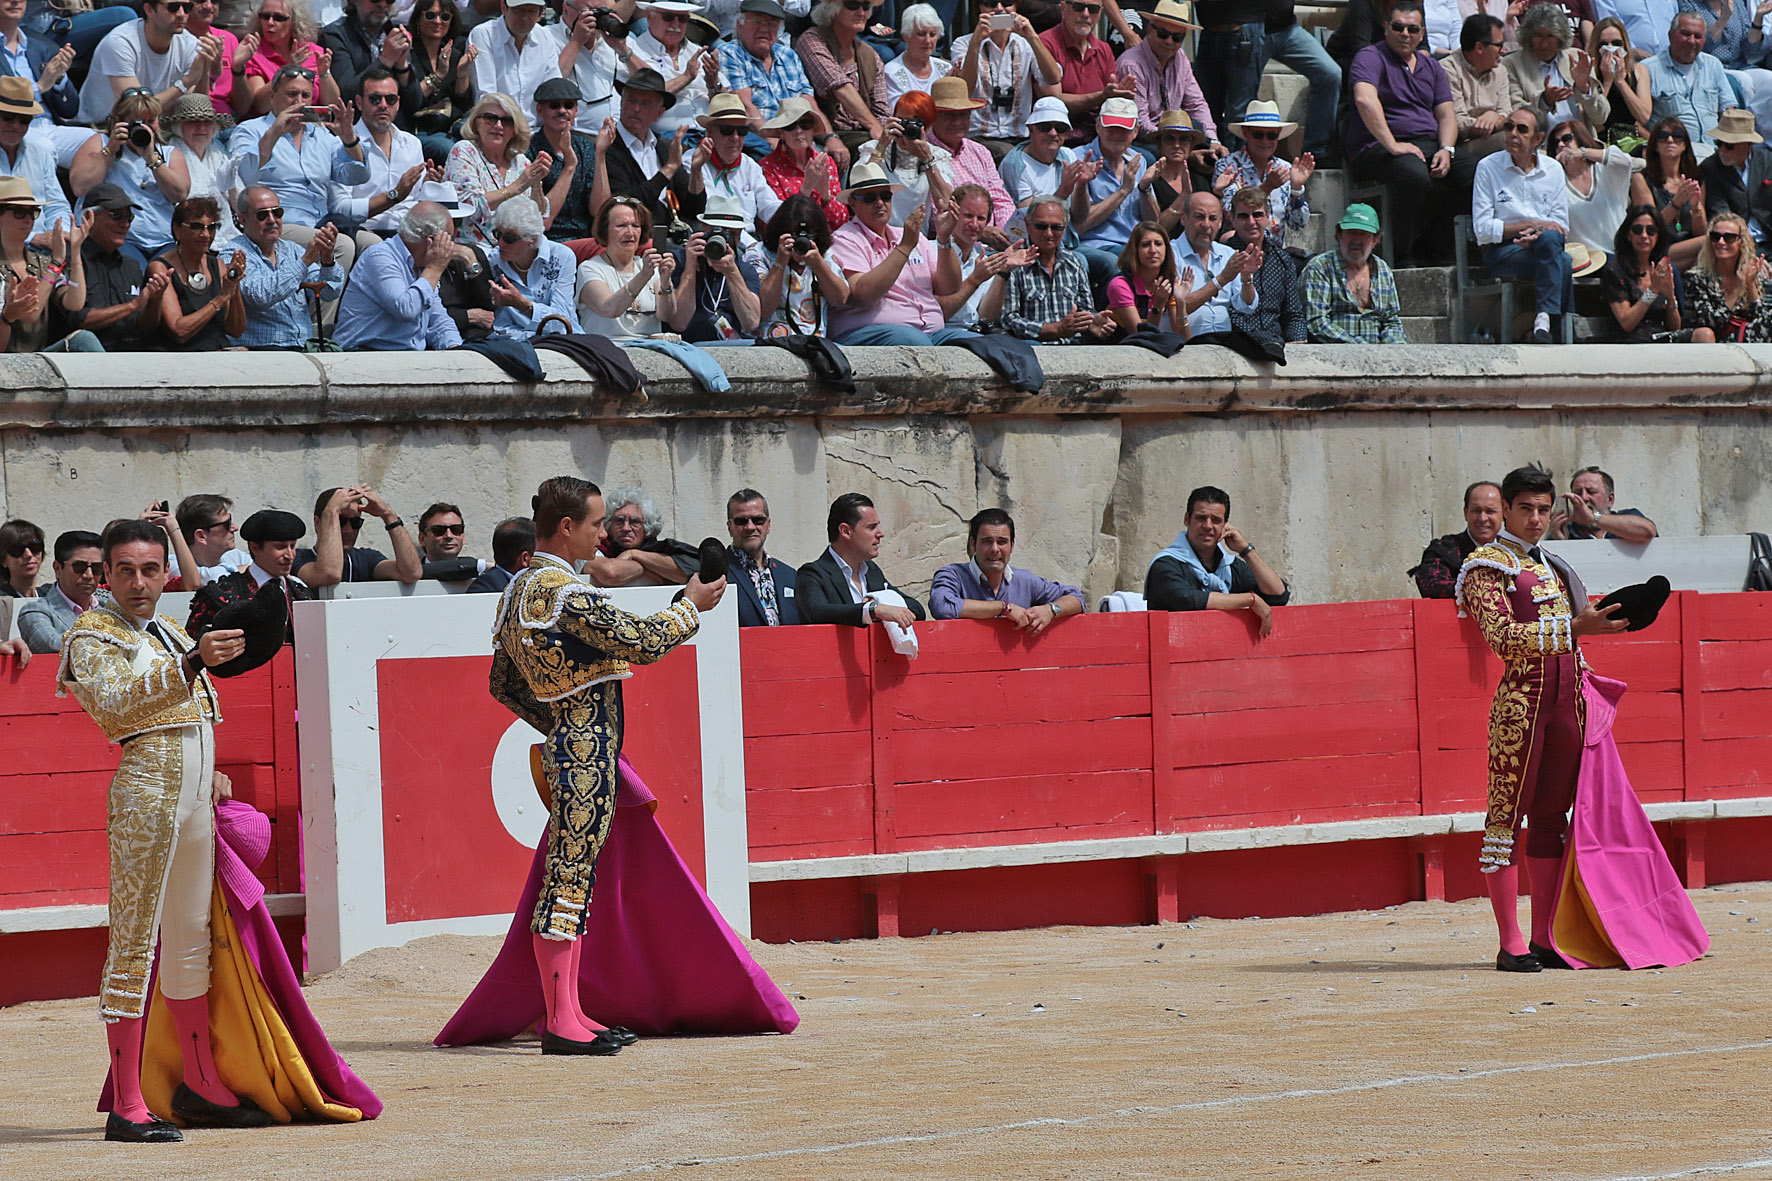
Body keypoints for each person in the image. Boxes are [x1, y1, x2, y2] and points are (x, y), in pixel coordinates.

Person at [66, 517, 379, 1141]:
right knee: (132, 945)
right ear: (104, 574)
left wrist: (210, 771)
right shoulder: (90, 635)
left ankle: (202, 1083)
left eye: (150, 570)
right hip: (146, 800)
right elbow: (118, 706)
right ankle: (128, 1104)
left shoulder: (162, 628)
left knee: (189, 941)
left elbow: (194, 709)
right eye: (124, 570)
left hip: (191, 797)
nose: (137, 582)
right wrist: (190, 660)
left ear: (165, 574)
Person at [481, 475, 722, 1055]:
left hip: (575, 745)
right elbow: (640, 641)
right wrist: (689, 608)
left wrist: (560, 720)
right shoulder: (564, 592)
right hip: (584, 755)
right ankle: (561, 1022)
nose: (602, 536)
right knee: (568, 879)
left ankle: (571, 1011)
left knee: (573, 876)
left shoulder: (518, 590)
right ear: (566, 528)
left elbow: (503, 683)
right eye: (594, 525)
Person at [1452, 463, 1639, 972]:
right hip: (1522, 707)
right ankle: (1509, 943)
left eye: (1542, 509)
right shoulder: (1486, 567)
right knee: (1505, 822)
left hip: (1566, 704)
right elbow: (1502, 640)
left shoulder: (1554, 566)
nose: (1535, 519)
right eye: (1525, 509)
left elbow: (1573, 636)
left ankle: (1544, 938)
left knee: (1552, 823)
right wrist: (1576, 627)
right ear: (1506, 510)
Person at [1347, 0, 1471, 265]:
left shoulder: (1433, 68)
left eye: (1412, 29)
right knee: (1414, 175)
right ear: (1386, 27)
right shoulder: (1370, 57)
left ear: (1422, 34)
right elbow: (1364, 100)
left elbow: (1447, 114)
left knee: (1476, 175)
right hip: (1376, 147)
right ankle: (1401, 254)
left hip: (1426, 144)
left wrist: (1446, 149)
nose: (1405, 34)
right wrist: (1393, 145)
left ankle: (1430, 247)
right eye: (1398, 27)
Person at [230, 63, 370, 295]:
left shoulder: (321, 133)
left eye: (305, 95)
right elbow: (246, 175)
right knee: (341, 246)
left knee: (374, 245)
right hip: (276, 223)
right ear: (272, 96)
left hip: (322, 220)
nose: (299, 101)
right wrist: (275, 132)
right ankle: (319, 326)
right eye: (291, 94)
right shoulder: (250, 130)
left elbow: (356, 176)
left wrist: (348, 138)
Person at [827, 161, 975, 344]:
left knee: (984, 345)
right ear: (852, 203)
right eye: (870, 197)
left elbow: (950, 288)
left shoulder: (909, 235)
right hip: (867, 333)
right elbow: (863, 295)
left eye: (885, 196)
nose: (880, 203)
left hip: (931, 333)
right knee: (916, 342)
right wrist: (904, 248)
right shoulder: (845, 239)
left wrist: (944, 240)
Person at [1473, 105, 1572, 343]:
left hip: (1544, 245)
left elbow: (1561, 226)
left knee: (1553, 245)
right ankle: (1558, 331)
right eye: (1509, 127)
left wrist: (1539, 236)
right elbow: (1483, 230)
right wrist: (1530, 225)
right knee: (1563, 261)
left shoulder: (1554, 170)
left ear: (1538, 138)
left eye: (1521, 129)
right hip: (1503, 250)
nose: (1512, 134)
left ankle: (1543, 325)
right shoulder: (1488, 167)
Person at [1144, 484, 1290, 636]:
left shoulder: (1230, 566)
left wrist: (1246, 550)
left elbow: (1278, 595)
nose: (1208, 526)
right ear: (1187, 519)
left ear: (1225, 525)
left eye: (1216, 520)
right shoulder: (1165, 565)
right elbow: (1188, 600)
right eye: (1201, 518)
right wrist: (1250, 600)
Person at [68, 89, 187, 268]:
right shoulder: (99, 142)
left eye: (150, 121)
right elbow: (80, 187)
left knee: (167, 278)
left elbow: (180, 193)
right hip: (118, 238)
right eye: (137, 122)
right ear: (119, 122)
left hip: (162, 240)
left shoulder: (170, 153)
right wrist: (110, 150)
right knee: (135, 272)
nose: (144, 127)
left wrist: (151, 158)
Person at [334, 198, 464, 347]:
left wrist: (455, 348)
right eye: (449, 240)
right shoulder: (380, 257)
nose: (452, 247)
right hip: (365, 356)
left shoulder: (422, 267)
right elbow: (405, 309)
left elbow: (439, 320)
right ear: (431, 240)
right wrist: (434, 269)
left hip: (405, 359)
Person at [587, 67, 698, 239]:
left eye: (645, 103)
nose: (636, 108)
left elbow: (693, 207)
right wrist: (667, 170)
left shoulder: (663, 148)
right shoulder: (609, 146)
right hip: (633, 241)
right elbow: (624, 203)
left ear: (659, 113)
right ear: (621, 103)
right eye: (631, 100)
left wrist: (697, 171)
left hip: (671, 239)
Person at [332, 66, 435, 251]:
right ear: (359, 102)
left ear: (398, 103)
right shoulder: (340, 144)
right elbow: (340, 209)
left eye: (390, 99)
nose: (383, 105)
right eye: (374, 99)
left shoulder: (412, 143)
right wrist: (394, 195)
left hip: (409, 232)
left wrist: (430, 185)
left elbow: (417, 198)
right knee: (379, 247)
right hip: (364, 231)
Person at [227, 184, 343, 347]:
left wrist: (327, 260)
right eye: (262, 215)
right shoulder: (233, 253)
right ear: (242, 219)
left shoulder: (293, 250)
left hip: (302, 348)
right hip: (261, 352)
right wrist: (305, 262)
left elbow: (329, 292)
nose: (272, 220)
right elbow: (259, 296)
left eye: (277, 212)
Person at [929, 507, 1083, 629]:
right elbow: (943, 607)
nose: (995, 549)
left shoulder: (1025, 581)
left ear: (1012, 545)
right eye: (987, 541)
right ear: (973, 543)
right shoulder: (953, 575)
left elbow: (1077, 598)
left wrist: (1051, 610)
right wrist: (1003, 607)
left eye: (1002, 542)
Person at [949, 0, 1062, 160]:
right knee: (1008, 155)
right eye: (990, 3)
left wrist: (1032, 36)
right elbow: (965, 89)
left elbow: (1053, 78)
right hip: (979, 138)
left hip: (1020, 138)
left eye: (1007, 2)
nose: (999, 8)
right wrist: (976, 41)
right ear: (980, 7)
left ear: (1015, 7)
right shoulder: (963, 43)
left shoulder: (1025, 44)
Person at [796, 491, 928, 628]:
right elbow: (817, 612)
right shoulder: (812, 574)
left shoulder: (872, 571)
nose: (880, 534)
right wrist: (872, 610)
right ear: (846, 531)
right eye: (871, 527)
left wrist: (881, 603)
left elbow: (916, 609)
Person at [76, 0, 213, 126]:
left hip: (156, 126)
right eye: (173, 7)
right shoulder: (120, 43)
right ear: (149, 9)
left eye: (187, 8)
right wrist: (185, 83)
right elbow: (135, 111)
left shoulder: (189, 43)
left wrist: (206, 71)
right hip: (101, 127)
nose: (181, 14)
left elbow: (194, 109)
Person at [185, 507, 314, 640]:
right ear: (255, 548)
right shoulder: (220, 595)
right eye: (280, 547)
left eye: (292, 546)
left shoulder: (300, 593)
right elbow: (193, 646)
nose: (289, 555)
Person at [68, 184, 172, 350]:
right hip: (86, 359)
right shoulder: (72, 260)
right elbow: (78, 320)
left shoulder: (131, 266)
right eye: (116, 216)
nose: (125, 224)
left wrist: (155, 300)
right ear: (89, 217)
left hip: (131, 355)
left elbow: (144, 329)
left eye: (129, 217)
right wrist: (132, 306)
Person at [995, 195, 1112, 340]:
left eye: (1056, 227)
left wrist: (1093, 321)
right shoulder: (1014, 264)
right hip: (1032, 348)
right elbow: (1007, 320)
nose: (1049, 233)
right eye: (1041, 226)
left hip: (1073, 347)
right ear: (1027, 225)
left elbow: (1085, 310)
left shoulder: (1074, 263)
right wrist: (1054, 329)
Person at [0, 181, 98, 353]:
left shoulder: (41, 262)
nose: (29, 219)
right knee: (83, 340)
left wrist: (75, 252)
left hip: (39, 359)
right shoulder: (50, 265)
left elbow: (74, 303)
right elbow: (30, 315)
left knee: (83, 338)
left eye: (33, 212)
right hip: (8, 362)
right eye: (20, 212)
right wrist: (56, 263)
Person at [446, 91, 549, 250]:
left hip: (517, 252)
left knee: (564, 253)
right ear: (476, 123)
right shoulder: (464, 151)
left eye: (507, 121)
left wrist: (535, 185)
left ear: (515, 129)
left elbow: (538, 218)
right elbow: (469, 206)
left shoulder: (521, 162)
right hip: (475, 248)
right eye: (490, 118)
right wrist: (518, 186)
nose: (498, 126)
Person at [719, 0, 824, 151]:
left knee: (838, 157)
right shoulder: (730, 53)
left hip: (797, 135)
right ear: (740, 25)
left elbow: (809, 103)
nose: (764, 29)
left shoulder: (788, 55)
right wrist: (775, 142)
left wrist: (830, 137)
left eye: (772, 24)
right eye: (757, 22)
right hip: (761, 137)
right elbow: (746, 107)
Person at [146, 195, 247, 349]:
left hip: (218, 353)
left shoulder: (217, 265)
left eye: (211, 227)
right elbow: (179, 331)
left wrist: (234, 286)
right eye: (196, 227)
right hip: (180, 358)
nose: (206, 235)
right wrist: (222, 298)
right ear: (177, 229)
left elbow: (236, 330)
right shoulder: (161, 268)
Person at [1115, 0, 1217, 149]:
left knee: (1212, 153)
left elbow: (1196, 104)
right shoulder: (1131, 64)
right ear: (1150, 29)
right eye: (1163, 34)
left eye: (1177, 37)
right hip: (1143, 138)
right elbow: (1141, 124)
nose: (1169, 41)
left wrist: (1212, 140)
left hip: (1173, 133)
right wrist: (1177, 142)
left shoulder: (1181, 57)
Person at [1299, 201, 1407, 342]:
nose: (1357, 240)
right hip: (1333, 356)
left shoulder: (1383, 270)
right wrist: (1359, 349)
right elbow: (1316, 322)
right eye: (1351, 233)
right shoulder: (1320, 267)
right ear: (1339, 235)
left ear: (1375, 240)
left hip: (1379, 355)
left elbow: (1391, 321)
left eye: (1364, 234)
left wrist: (1392, 350)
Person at [1071, 95, 1147, 293]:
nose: (1116, 134)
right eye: (1111, 127)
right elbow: (1078, 226)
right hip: (1093, 244)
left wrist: (1145, 189)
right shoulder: (1079, 159)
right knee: (1119, 262)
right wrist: (1123, 191)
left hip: (1134, 243)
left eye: (1124, 129)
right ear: (1098, 126)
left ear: (1136, 131)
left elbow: (1151, 221)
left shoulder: (1140, 161)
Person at [616, 0, 721, 141]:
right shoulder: (633, 52)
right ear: (649, 16)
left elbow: (726, 99)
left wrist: (713, 84)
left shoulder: (698, 51)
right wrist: (686, 77)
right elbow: (646, 97)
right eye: (668, 17)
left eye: (683, 19)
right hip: (667, 139)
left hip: (713, 135)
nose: (676, 24)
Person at [1212, 99, 1313, 245]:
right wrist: (1267, 187)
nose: (1265, 141)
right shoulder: (1227, 166)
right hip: (1238, 251)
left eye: (1272, 135)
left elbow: (1298, 224)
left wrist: (1296, 190)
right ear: (1246, 133)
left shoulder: (1286, 168)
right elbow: (1230, 214)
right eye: (1258, 134)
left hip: (1274, 255)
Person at [797, 0, 891, 158]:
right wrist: (875, 128)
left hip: (865, 135)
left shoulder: (870, 55)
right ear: (832, 10)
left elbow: (882, 111)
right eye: (853, 5)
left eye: (866, 6)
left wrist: (883, 135)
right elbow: (840, 87)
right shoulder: (812, 40)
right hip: (828, 134)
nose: (861, 12)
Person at [1503, 3, 1610, 140]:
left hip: (1581, 145)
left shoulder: (1578, 58)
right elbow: (1514, 113)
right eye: (1538, 36)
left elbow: (1601, 117)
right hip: (1539, 148)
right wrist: (1544, 101)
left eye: (1550, 36)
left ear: (1561, 37)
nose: (1544, 43)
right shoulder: (1512, 64)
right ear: (1528, 36)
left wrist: (1584, 88)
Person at [687, 91, 782, 245]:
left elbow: (770, 205)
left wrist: (791, 220)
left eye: (742, 131)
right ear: (710, 131)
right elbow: (712, 216)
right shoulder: (693, 162)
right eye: (727, 130)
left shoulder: (749, 165)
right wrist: (752, 247)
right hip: (716, 242)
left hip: (752, 242)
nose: (735, 138)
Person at [576, 193, 677, 337]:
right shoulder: (589, 268)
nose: (630, 233)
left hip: (651, 349)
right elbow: (608, 309)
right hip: (607, 348)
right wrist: (644, 275)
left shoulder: (649, 267)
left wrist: (666, 282)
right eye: (621, 226)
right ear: (605, 230)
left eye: (635, 226)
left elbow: (667, 316)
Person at [668, 192, 762, 340]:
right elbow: (679, 323)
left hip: (730, 350)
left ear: (739, 236)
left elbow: (751, 322)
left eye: (730, 234)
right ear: (703, 230)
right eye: (717, 231)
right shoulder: (679, 260)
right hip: (687, 346)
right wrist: (691, 267)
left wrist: (732, 272)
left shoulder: (744, 268)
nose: (723, 239)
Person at [752, 192, 848, 335]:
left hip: (814, 343)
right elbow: (764, 309)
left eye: (808, 234)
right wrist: (780, 263)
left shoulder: (823, 256)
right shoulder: (758, 253)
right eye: (793, 234)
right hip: (771, 343)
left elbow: (840, 299)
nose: (800, 241)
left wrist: (818, 265)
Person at [858, 91, 957, 229]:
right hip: (874, 236)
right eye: (902, 121)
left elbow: (946, 202)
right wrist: (881, 146)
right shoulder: (875, 148)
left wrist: (927, 160)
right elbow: (860, 189)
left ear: (927, 127)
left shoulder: (936, 156)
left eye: (914, 123)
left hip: (916, 239)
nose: (906, 129)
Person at [292, 483, 424, 586]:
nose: (348, 530)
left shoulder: (367, 558)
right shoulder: (296, 559)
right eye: (340, 521)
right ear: (317, 523)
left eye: (355, 522)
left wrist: (389, 515)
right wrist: (332, 510)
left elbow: (412, 572)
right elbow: (329, 573)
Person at [1039, 0, 1131, 147]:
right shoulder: (1045, 44)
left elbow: (1111, 99)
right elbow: (1052, 100)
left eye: (1093, 9)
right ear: (1063, 8)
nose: (1086, 14)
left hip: (1100, 139)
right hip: (1057, 138)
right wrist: (1100, 97)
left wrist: (1120, 96)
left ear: (1100, 13)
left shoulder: (1104, 49)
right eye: (1078, 7)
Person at [487, 194, 581, 336]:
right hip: (515, 343)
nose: (500, 243)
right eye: (497, 234)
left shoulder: (562, 256)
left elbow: (560, 321)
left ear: (532, 240)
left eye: (509, 238)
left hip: (562, 341)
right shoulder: (493, 262)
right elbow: (500, 325)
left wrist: (522, 304)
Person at [1225, 184, 1304, 351]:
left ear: (1268, 217)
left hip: (1276, 346)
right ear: (1232, 219)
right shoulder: (1221, 257)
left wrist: (1296, 346)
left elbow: (1293, 314)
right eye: (1243, 216)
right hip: (1236, 346)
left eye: (1258, 215)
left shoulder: (1282, 260)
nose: (1251, 222)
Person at [1173, 190, 1260, 340]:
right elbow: (1177, 309)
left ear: (1220, 223)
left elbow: (1246, 306)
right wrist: (1221, 280)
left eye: (1213, 218)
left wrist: (1246, 278)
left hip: (1223, 344)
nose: (1206, 225)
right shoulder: (1170, 255)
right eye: (1199, 217)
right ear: (1183, 218)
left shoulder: (1228, 254)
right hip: (1186, 345)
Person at [1603, 200, 1698, 338]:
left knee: (1703, 335)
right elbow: (1627, 323)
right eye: (1637, 230)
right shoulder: (1615, 269)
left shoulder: (1662, 269)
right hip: (1632, 343)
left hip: (1662, 341)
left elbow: (1674, 328)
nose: (1644, 235)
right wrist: (1652, 291)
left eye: (1651, 230)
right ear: (1628, 235)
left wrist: (1671, 298)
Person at [1265, 0, 1343, 161]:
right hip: (1248, 28)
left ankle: (1316, 151)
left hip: (1288, 28)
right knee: (1244, 88)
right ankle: (1237, 155)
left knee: (1330, 73)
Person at [1646, 9, 1731, 155]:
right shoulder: (1648, 69)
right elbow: (1638, 122)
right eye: (1685, 34)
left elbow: (1729, 110)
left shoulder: (1714, 65)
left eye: (1698, 36)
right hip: (1675, 153)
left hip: (1714, 150)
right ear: (1670, 35)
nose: (1691, 41)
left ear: (1704, 41)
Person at [401, 0, 477, 165]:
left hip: (450, 128)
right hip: (418, 129)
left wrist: (462, 73)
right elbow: (410, 101)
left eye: (444, 17)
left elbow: (463, 103)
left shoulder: (454, 54)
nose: (437, 21)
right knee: (450, 150)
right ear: (418, 19)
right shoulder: (407, 53)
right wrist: (438, 75)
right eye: (430, 15)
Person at [757, 95, 848, 232]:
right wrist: (806, 189)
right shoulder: (767, 167)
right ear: (781, 133)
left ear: (812, 130)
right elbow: (775, 223)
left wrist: (825, 196)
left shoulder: (826, 162)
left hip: (827, 240)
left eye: (805, 124)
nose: (799, 131)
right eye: (791, 126)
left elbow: (842, 220)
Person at [464, 0, 560, 129]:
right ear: (504, 8)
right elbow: (486, 97)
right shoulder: (483, 35)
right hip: (498, 129)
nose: (524, 17)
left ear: (540, 14)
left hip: (538, 131)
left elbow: (553, 87)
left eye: (531, 11)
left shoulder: (545, 37)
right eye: (518, 10)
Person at [234, 0, 337, 118]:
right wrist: (287, 70)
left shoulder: (313, 51)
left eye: (279, 17)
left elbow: (331, 107)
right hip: (270, 125)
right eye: (265, 16)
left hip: (313, 126)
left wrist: (324, 74)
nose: (270, 22)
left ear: (294, 21)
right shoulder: (253, 53)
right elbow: (259, 106)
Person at [528, 76, 597, 251]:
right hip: (547, 241)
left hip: (587, 238)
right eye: (554, 105)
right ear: (539, 110)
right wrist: (570, 166)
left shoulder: (586, 146)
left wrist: (602, 155)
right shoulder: (529, 151)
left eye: (568, 105)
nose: (562, 110)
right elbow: (542, 220)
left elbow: (598, 210)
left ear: (576, 111)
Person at [939, 181, 1020, 328]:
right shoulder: (932, 252)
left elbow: (986, 316)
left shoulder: (984, 261)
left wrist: (1003, 271)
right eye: (968, 216)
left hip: (974, 333)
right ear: (953, 214)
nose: (974, 224)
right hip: (943, 331)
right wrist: (975, 279)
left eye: (981, 218)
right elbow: (940, 313)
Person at [1630, 113, 1708, 266]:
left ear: (1685, 144)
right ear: (1655, 145)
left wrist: (1695, 207)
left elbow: (1700, 231)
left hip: (1691, 248)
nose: (1670, 140)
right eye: (1662, 136)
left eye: (1677, 136)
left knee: (1717, 245)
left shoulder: (1696, 179)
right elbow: (1650, 228)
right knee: (1716, 239)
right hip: (1659, 249)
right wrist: (1676, 202)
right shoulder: (1641, 180)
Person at [0, 78, 73, 238]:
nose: (16, 125)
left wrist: (60, 234)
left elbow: (57, 206)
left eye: (24, 120)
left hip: (43, 250)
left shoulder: (40, 151)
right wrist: (32, 238)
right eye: (8, 117)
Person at [163, 93, 242, 240]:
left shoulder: (220, 156)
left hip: (225, 232)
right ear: (179, 127)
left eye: (207, 122)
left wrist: (231, 186)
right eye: (193, 122)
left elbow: (242, 209)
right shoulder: (169, 155)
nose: (201, 127)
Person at [1407, 478, 1502, 597]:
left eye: (1490, 511)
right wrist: (1480, 587)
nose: (1482, 518)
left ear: (1504, 514)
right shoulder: (1443, 550)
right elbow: (1431, 586)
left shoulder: (1513, 551)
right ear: (1466, 513)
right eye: (1476, 511)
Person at [587, 485, 697, 587]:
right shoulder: (595, 549)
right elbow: (611, 573)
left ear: (646, 527)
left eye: (634, 522)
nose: (626, 528)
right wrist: (647, 569)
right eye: (619, 521)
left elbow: (685, 574)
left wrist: (633, 554)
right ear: (609, 525)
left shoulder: (658, 550)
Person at [1555, 117, 1636, 256]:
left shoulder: (1604, 170)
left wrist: (1583, 152)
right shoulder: (1556, 181)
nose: (1561, 145)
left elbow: (1624, 161)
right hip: (1582, 261)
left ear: (1581, 138)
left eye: (1566, 138)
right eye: (1555, 143)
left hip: (1618, 254)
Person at [1683, 208, 1771, 336]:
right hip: (1713, 340)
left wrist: (1750, 285)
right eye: (1715, 237)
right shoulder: (1696, 278)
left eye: (1729, 238)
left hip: (1747, 338)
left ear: (1741, 243)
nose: (1721, 242)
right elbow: (1710, 324)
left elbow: (1764, 321)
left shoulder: (1752, 275)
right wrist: (1737, 290)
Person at [16, 529, 101, 653]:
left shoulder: (109, 607)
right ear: (57, 569)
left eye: (96, 568)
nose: (89, 575)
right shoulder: (35, 611)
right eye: (79, 567)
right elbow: (52, 645)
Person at [1699, 106, 1772, 251]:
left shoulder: (1768, 161)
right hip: (1735, 245)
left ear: (1748, 144)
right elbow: (1721, 214)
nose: (1722, 150)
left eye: (1729, 145)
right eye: (1719, 143)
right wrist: (1749, 252)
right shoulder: (1710, 168)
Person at [1445, 14, 1515, 162]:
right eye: (1499, 45)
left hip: (1492, 135)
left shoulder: (1500, 71)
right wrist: (1491, 121)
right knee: (1511, 140)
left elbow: (1507, 112)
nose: (1503, 51)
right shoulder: (1447, 70)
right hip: (1462, 146)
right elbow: (1457, 122)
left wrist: (1494, 117)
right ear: (1479, 47)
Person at [724, 488, 797, 626]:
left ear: (768, 525)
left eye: (758, 520)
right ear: (730, 527)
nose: (750, 527)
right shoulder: (720, 572)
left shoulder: (790, 575)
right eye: (741, 521)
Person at [550, 0, 624, 134]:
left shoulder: (610, 39)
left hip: (619, 135)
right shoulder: (547, 36)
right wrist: (577, 42)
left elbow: (653, 83)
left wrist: (623, 50)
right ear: (566, 9)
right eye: (589, 12)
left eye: (600, 11)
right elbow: (551, 83)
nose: (595, 19)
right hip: (577, 134)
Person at [997, 95, 1080, 215]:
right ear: (1031, 129)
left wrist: (1082, 186)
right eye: (1044, 127)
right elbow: (1031, 219)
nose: (1053, 133)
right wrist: (1063, 192)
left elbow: (1079, 216)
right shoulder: (1014, 165)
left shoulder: (1068, 155)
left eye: (1060, 128)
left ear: (1067, 133)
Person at [321, 0, 416, 102]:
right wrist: (385, 60)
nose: (382, 4)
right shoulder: (335, 35)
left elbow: (415, 103)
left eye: (389, 0)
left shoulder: (395, 33)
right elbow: (346, 96)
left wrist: (402, 66)